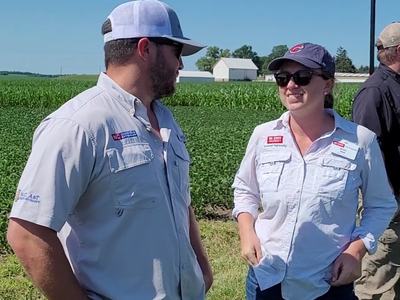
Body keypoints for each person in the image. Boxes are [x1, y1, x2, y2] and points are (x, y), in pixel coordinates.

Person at [6, 1, 213, 299]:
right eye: (177, 53)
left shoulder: (165, 119)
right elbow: (27, 233)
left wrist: (201, 270)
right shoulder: (79, 125)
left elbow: (180, 200)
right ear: (145, 49)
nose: (181, 65)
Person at [232, 42, 397, 300]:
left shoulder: (360, 140)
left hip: (327, 282)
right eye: (283, 78)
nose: (291, 85)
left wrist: (356, 251)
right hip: (265, 276)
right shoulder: (263, 135)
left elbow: (382, 205)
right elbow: (245, 189)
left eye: (303, 77)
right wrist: (246, 232)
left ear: (328, 84)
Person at [352, 22, 400, 300]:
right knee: (378, 283)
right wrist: (386, 202)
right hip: (388, 207)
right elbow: (367, 154)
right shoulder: (375, 92)